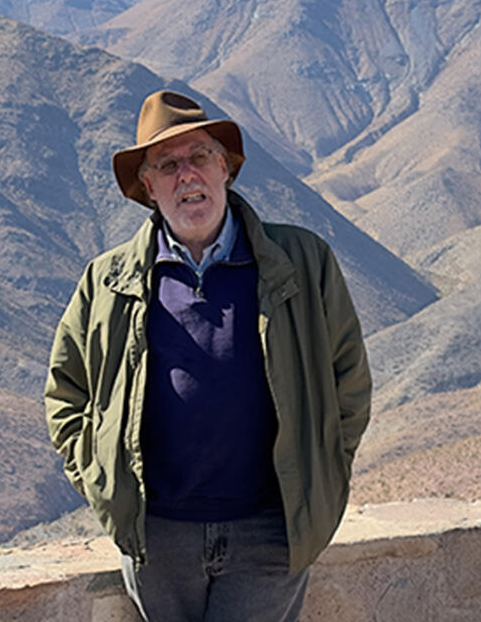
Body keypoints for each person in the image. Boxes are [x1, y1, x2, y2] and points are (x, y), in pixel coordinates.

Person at [45, 89, 372, 621]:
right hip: (158, 538)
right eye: (167, 165)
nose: (186, 175)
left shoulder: (301, 261)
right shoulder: (107, 281)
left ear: (226, 168)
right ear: (148, 187)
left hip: (269, 531)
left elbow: (349, 381)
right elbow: (66, 392)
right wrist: (104, 481)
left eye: (199, 157)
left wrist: (324, 465)